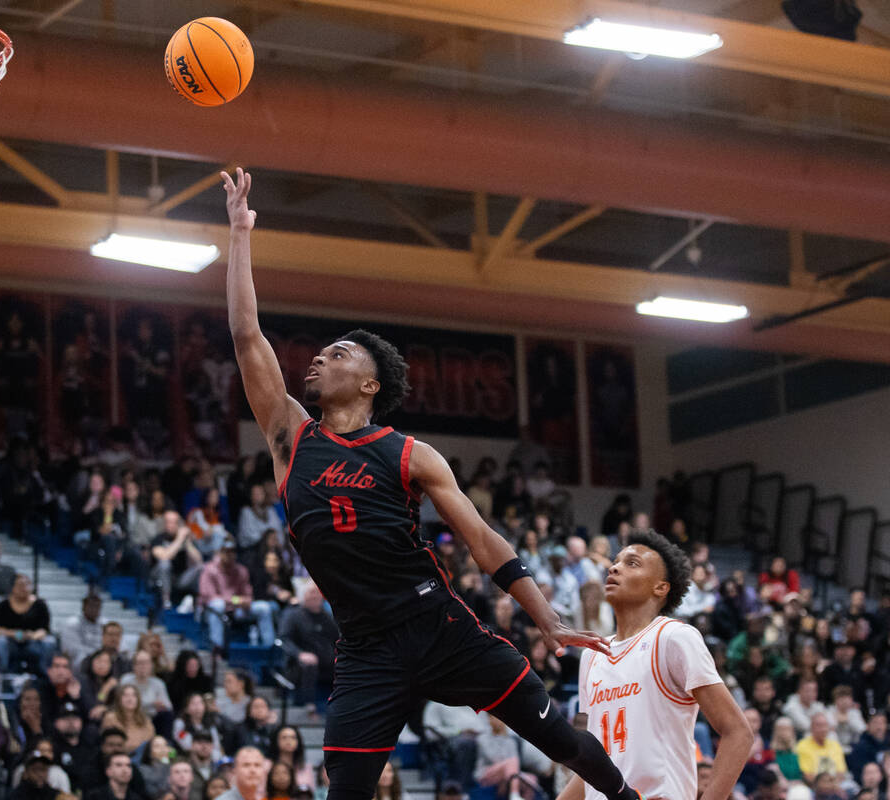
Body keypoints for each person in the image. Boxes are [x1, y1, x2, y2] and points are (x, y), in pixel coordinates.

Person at [221, 167, 643, 800]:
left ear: (369, 385)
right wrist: (240, 234)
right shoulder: (291, 435)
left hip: (439, 624)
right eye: (322, 352)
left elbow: (480, 537)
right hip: (365, 648)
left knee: (558, 740)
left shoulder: (410, 454)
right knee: (348, 789)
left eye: (338, 354)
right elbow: (246, 333)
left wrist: (548, 621)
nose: (319, 359)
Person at [559, 530, 752, 800]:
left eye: (632, 563)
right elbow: (596, 762)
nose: (614, 567)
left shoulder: (673, 638)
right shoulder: (593, 654)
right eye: (616, 561)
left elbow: (738, 732)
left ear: (661, 587)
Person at [198, 537, 275, 650]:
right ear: (220, 553)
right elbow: (208, 597)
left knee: (264, 607)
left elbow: (248, 597)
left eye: (232, 552)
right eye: (226, 552)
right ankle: (217, 648)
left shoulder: (241, 570)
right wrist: (235, 600)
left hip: (236, 609)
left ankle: (269, 649)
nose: (229, 555)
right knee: (217, 604)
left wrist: (244, 601)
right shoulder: (210, 570)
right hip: (212, 611)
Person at [277, 584, 339, 711]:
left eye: (317, 593)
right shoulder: (293, 615)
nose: (315, 596)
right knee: (309, 663)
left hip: (327, 661)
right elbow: (284, 639)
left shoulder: (328, 617)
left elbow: (338, 639)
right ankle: (308, 705)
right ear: (302, 596)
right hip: (298, 663)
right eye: (311, 593)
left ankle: (342, 704)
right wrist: (300, 654)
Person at [0, 575, 54, 675]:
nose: (24, 588)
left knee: (49, 642)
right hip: (10, 642)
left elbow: (44, 630)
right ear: (12, 588)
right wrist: (16, 634)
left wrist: (32, 636)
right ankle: (0, 675)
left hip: (32, 642)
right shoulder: (3, 605)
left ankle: (45, 675)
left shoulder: (40, 604)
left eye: (27, 585)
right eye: (20, 585)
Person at [795, 712, 848, 783]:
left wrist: (833, 784)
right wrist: (825, 784)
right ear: (811, 728)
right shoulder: (802, 746)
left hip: (837, 784)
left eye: (825, 725)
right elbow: (807, 775)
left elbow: (841, 772)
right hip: (813, 785)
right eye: (819, 726)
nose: (823, 729)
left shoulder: (835, 745)